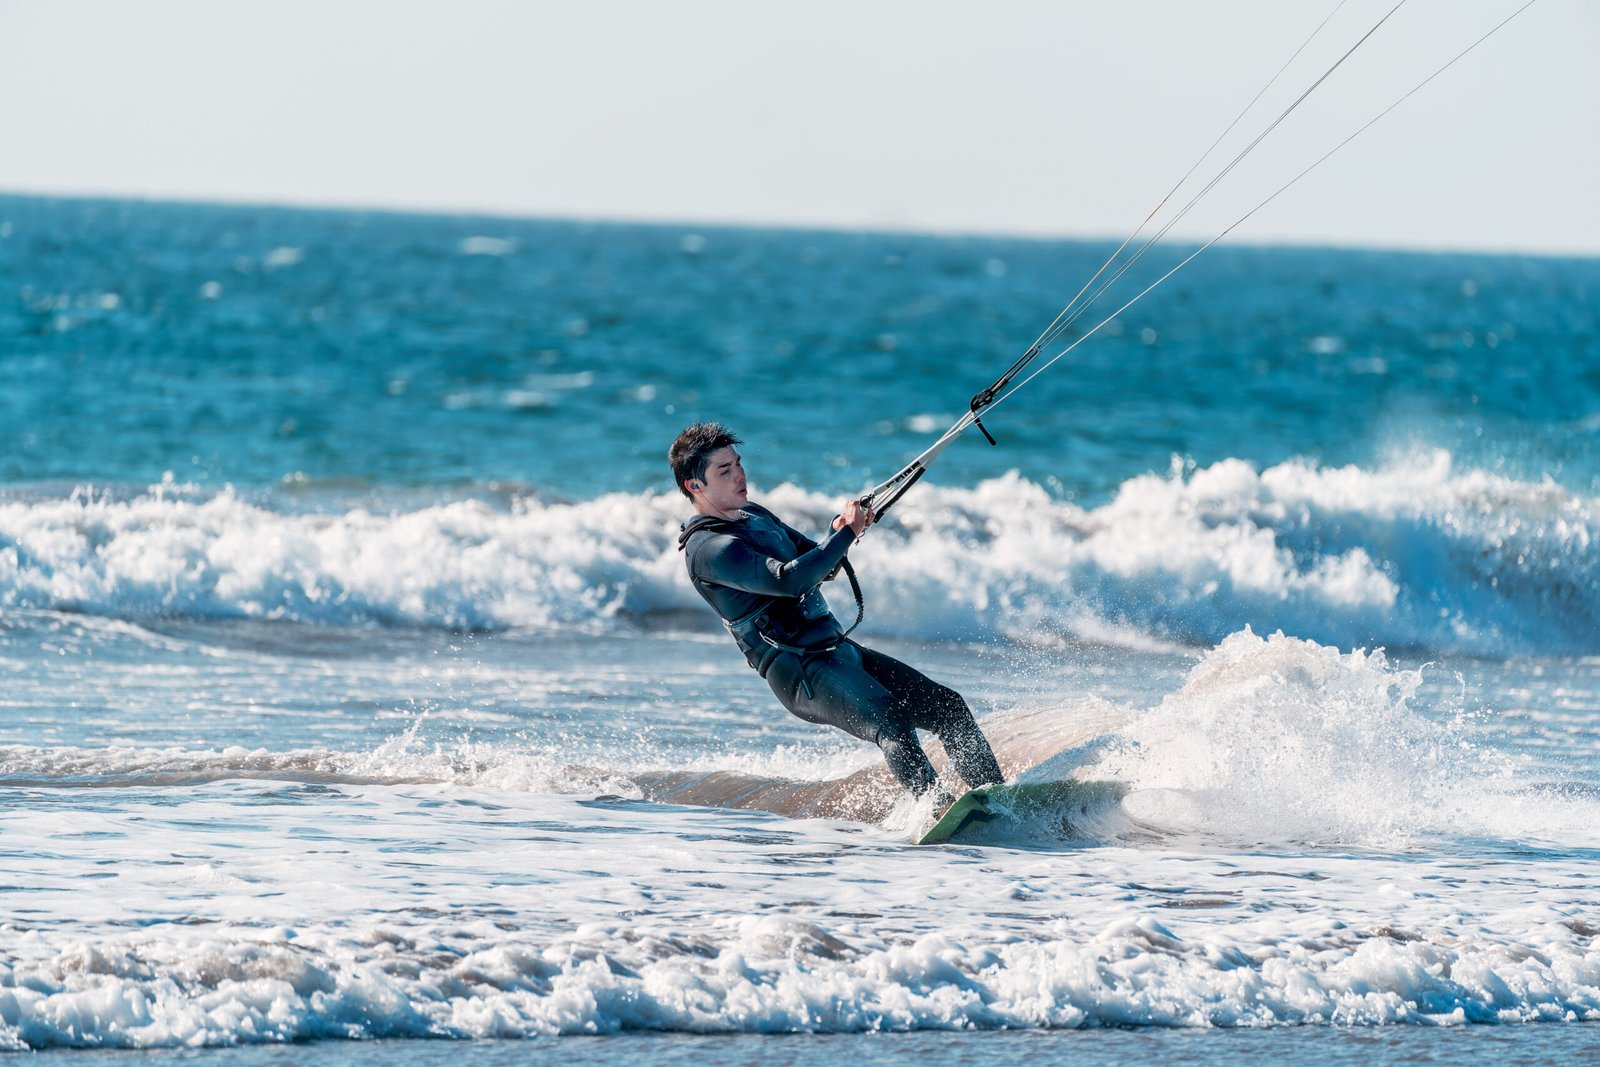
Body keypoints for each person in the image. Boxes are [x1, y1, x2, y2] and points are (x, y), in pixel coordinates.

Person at [669, 422, 1003, 800]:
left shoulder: (755, 515)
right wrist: (844, 535)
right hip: (800, 671)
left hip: (836, 649)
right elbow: (789, 581)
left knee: (949, 707)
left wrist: (843, 528)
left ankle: (995, 801)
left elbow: (820, 564)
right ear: (694, 487)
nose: (739, 475)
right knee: (890, 720)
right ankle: (938, 811)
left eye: (738, 463)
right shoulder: (710, 549)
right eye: (724, 471)